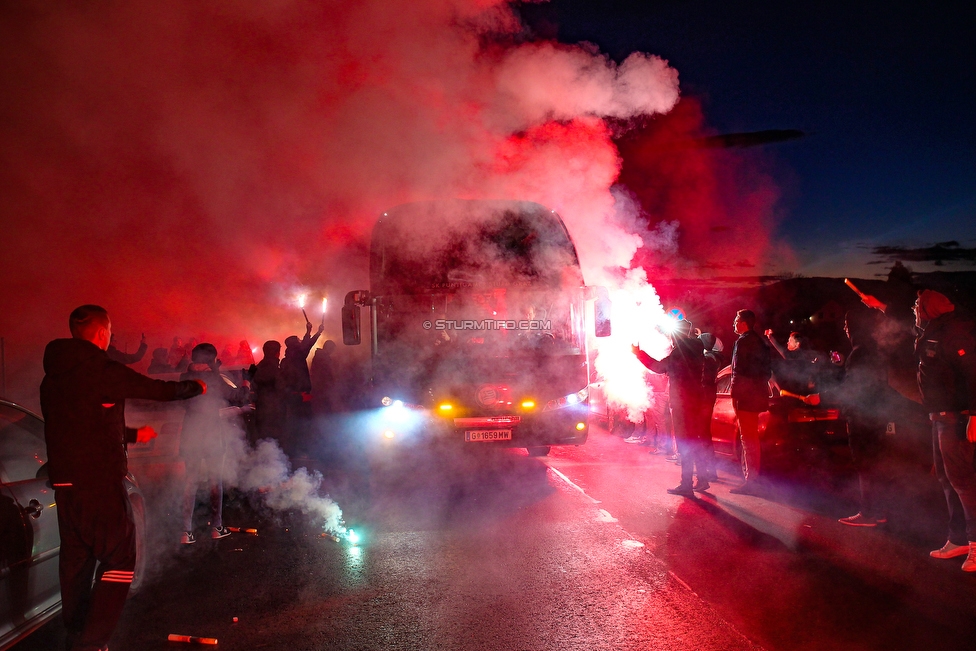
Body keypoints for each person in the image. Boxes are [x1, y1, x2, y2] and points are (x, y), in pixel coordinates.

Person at [40, 305, 205, 651]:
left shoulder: (51, 378)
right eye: (110, 331)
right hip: (99, 485)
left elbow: (78, 428)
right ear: (102, 333)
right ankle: (93, 642)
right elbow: (156, 389)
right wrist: (194, 387)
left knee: (76, 568)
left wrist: (130, 435)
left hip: (67, 488)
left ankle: (77, 636)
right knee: (120, 558)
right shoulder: (101, 369)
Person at [861, 288, 976, 569]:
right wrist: (881, 306)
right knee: (947, 481)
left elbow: (974, 373)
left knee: (963, 482)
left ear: (928, 308)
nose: (913, 308)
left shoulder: (953, 334)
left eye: (917, 304)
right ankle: (959, 539)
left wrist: (975, 415)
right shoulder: (931, 330)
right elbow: (904, 319)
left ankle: (975, 544)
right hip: (940, 417)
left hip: (956, 418)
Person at [796, 309, 890, 526]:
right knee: (874, 464)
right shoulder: (874, 350)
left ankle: (867, 513)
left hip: (862, 416)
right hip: (876, 416)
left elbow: (852, 388)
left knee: (864, 464)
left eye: (848, 324)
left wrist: (822, 396)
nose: (845, 328)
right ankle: (879, 511)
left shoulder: (859, 353)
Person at [179, 344, 250, 544]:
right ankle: (217, 527)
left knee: (190, 481)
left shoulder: (184, 377)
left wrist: (214, 369)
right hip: (211, 435)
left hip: (190, 433)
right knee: (214, 480)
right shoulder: (213, 378)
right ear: (210, 359)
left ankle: (186, 532)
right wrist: (247, 382)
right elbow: (237, 396)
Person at [633, 319, 707, 496]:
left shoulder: (680, 352)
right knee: (695, 440)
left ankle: (686, 484)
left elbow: (659, 367)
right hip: (696, 400)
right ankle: (702, 478)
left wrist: (638, 353)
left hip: (682, 402)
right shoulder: (697, 349)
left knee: (685, 442)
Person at [729, 309, 772, 495]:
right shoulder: (760, 342)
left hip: (746, 397)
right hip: (755, 395)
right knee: (751, 438)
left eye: (736, 321)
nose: (734, 324)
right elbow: (766, 372)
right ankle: (752, 479)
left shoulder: (744, 342)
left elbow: (738, 371)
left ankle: (751, 481)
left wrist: (735, 394)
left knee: (748, 439)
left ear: (744, 323)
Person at [280, 321, 324, 456]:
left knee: (294, 423)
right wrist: (317, 333)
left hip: (292, 397)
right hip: (301, 397)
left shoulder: (286, 359)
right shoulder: (298, 356)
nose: (301, 342)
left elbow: (305, 346)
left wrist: (309, 332)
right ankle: (302, 449)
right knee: (304, 423)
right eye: (298, 341)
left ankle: (293, 449)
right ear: (295, 345)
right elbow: (307, 346)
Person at [698, 332, 724, 482]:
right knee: (704, 435)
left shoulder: (708, 359)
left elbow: (703, 379)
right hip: (707, 398)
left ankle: (709, 470)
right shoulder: (712, 358)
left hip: (703, 399)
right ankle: (709, 469)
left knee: (702, 435)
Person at [252, 340, 284, 443]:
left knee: (263, 440)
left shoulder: (258, 367)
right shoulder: (275, 369)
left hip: (260, 409)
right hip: (274, 411)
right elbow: (281, 389)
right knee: (273, 441)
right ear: (277, 353)